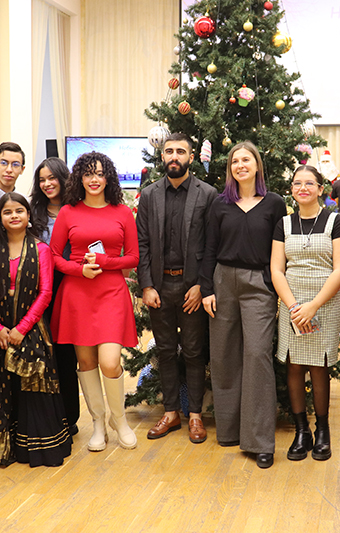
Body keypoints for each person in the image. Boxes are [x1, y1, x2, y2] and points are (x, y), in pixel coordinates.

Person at [0, 193, 72, 467]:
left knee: (33, 387)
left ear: (28, 216)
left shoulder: (41, 249)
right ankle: (1, 447)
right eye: (7, 212)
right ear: (0, 219)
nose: (14, 216)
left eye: (19, 211)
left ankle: (32, 449)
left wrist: (22, 329)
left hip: (32, 329)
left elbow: (45, 293)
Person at [200, 141, 287, 469]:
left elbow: (280, 248)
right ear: (230, 169)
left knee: (257, 355)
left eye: (246, 159)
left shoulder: (274, 203)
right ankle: (229, 431)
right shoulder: (220, 204)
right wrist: (207, 289)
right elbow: (209, 248)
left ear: (257, 165)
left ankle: (260, 441)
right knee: (223, 356)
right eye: (235, 161)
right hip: (223, 282)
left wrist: (272, 284)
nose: (240, 165)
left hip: (258, 285)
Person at [50, 151, 139, 452]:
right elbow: (53, 255)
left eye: (100, 173)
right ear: (80, 178)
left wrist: (104, 261)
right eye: (88, 174)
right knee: (86, 363)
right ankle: (98, 423)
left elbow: (133, 257)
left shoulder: (122, 212)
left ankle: (119, 420)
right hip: (78, 293)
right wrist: (80, 270)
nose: (94, 179)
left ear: (108, 177)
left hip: (111, 292)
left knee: (110, 363)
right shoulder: (68, 212)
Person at [136, 133, 217, 443]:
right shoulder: (149, 195)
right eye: (169, 151)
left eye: (180, 151)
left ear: (191, 157)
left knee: (195, 352)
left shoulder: (207, 194)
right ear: (162, 156)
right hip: (159, 287)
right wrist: (146, 285)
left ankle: (195, 415)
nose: (174, 156)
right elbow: (142, 244)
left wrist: (201, 286)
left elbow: (212, 246)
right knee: (166, 351)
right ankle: (170, 413)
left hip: (191, 287)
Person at [271, 165, 340, 462]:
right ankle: (301, 431)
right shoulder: (284, 224)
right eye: (297, 183)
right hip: (291, 304)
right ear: (291, 189)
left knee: (319, 366)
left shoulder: (335, 222)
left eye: (309, 183)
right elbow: (277, 269)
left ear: (320, 189)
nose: (302, 188)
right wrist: (293, 307)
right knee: (294, 365)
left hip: (323, 304)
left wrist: (313, 305)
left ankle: (322, 430)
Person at [30, 157, 80, 436]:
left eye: (52, 178)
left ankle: (69, 417)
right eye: (42, 180)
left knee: (65, 354)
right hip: (36, 290)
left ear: (63, 178)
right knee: (40, 354)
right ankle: (42, 418)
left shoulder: (77, 210)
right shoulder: (31, 212)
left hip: (69, 286)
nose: (47, 184)